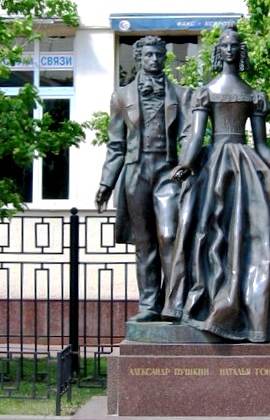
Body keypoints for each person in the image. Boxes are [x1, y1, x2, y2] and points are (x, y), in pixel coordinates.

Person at [162, 26, 270, 342]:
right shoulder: (206, 92)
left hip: (247, 164)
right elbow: (197, 138)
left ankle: (258, 312)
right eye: (224, 46)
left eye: (234, 46)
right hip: (214, 165)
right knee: (207, 231)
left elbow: (263, 145)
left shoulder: (254, 95)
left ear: (240, 52)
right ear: (218, 52)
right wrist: (185, 165)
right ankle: (207, 303)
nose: (229, 50)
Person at [95, 36, 192, 322]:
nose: (154, 60)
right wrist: (106, 183)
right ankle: (150, 303)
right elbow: (115, 146)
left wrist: (187, 162)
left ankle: (174, 302)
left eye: (158, 55)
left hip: (168, 171)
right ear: (139, 58)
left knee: (170, 235)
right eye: (148, 55)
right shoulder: (121, 96)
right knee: (145, 242)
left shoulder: (181, 95)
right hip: (136, 171)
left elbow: (187, 134)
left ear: (164, 58)